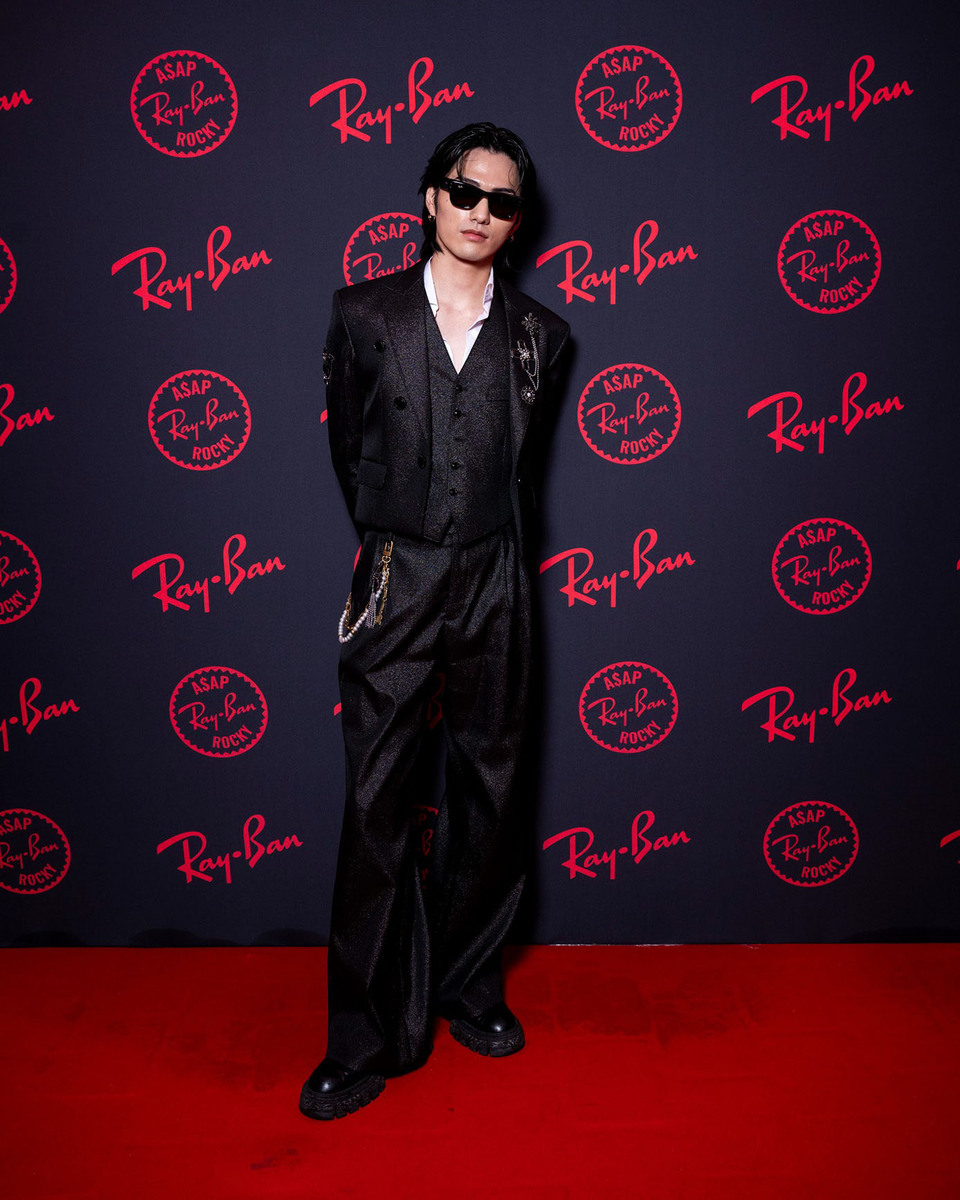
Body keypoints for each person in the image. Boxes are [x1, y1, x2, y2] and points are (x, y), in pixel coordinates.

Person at [300, 122, 570, 1120]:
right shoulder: (362, 313)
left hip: (497, 571)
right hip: (397, 570)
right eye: (464, 191)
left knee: (492, 790)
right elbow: (352, 454)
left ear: (516, 219)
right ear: (430, 197)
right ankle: (363, 1035)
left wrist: (486, 549)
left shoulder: (542, 336)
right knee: (378, 799)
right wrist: (394, 540)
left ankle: (470, 986)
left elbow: (523, 468)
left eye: (501, 201)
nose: (479, 213)